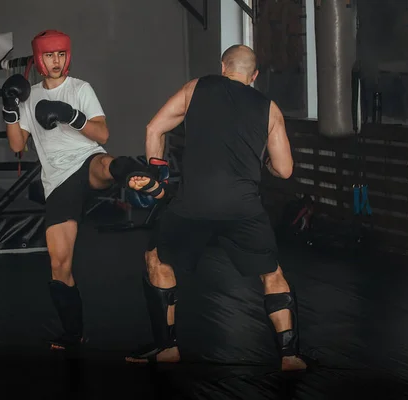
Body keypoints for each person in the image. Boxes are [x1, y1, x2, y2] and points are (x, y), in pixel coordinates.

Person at [125, 44, 308, 371]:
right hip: (244, 207)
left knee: (157, 260)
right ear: (254, 76)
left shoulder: (197, 87)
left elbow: (154, 128)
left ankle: (167, 348)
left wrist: (159, 173)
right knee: (272, 274)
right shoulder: (270, 108)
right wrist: (261, 160)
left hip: (194, 203)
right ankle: (290, 355)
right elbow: (285, 169)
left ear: (223, 67)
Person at [1, 29, 165, 351]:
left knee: (105, 163)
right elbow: (17, 144)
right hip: (57, 181)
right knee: (59, 265)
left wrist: (69, 115)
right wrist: (9, 107)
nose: (56, 61)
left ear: (68, 56)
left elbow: (102, 133)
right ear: (39, 59)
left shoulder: (80, 89)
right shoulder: (28, 96)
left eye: (61, 54)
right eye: (49, 55)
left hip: (86, 160)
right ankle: (73, 334)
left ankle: (142, 177)